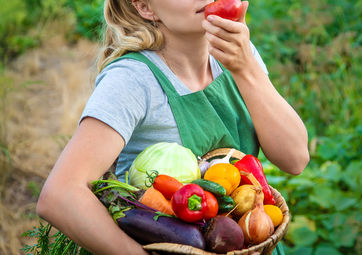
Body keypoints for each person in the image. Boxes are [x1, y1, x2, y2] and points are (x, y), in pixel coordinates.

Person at [36, 0, 309, 254]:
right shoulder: (133, 79)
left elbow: (295, 158)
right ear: (145, 7)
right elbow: (60, 195)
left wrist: (244, 68)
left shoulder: (239, 54)